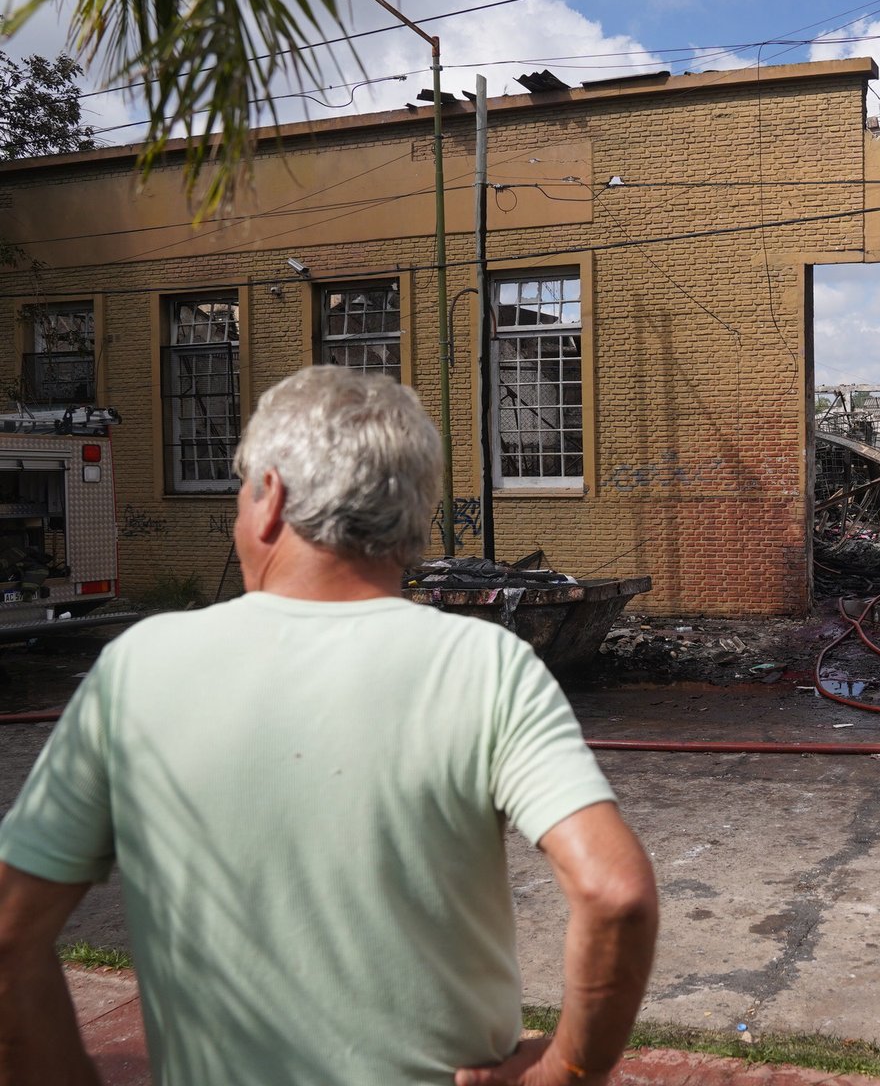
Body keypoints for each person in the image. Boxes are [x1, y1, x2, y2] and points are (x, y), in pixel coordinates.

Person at [0, 366, 659, 1086]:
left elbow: (10, 931)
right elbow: (615, 893)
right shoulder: (486, 664)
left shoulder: (137, 669)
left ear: (270, 499)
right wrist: (565, 1069)